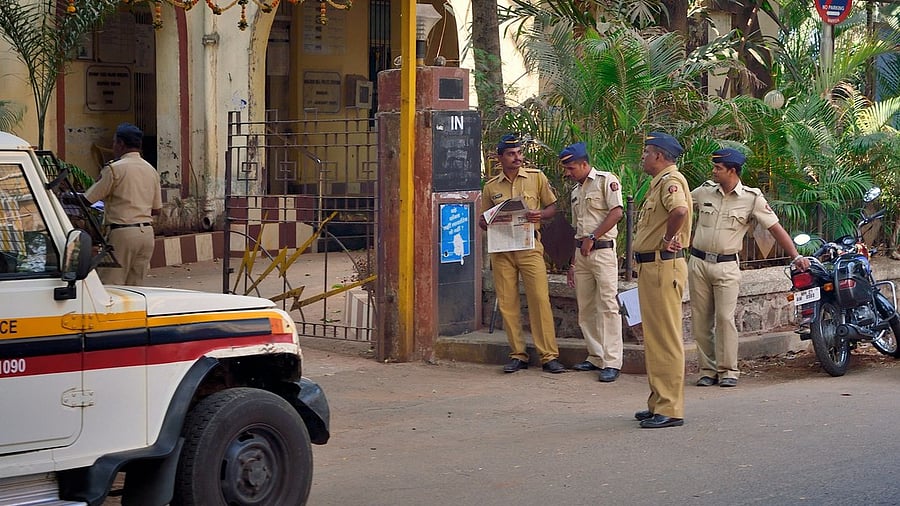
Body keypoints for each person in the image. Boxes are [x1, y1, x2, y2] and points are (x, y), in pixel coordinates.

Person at [689, 148, 811, 388]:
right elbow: (679, 205)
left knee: (724, 319)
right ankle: (707, 370)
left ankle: (728, 370)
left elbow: (775, 228)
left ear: (732, 171)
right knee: (701, 320)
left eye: (718, 168)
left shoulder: (751, 198)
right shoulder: (704, 191)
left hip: (726, 266)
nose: (713, 171)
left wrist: (795, 256)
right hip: (698, 263)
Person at [480, 133, 565, 374]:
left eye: (519, 153)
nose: (517, 157)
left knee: (539, 299)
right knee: (508, 303)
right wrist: (485, 222)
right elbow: (483, 220)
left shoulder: (536, 178)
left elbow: (552, 207)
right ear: (500, 158)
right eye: (511, 154)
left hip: (529, 247)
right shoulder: (491, 187)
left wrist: (540, 214)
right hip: (502, 250)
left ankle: (548, 356)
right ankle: (518, 354)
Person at [631, 132, 692, 429]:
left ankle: (670, 408)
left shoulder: (671, 181)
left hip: (662, 265)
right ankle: (658, 401)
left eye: (646, 152)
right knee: (655, 338)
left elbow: (679, 210)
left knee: (665, 338)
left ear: (658, 155)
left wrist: (668, 238)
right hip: (652, 267)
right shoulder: (658, 183)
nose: (643, 157)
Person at [560, 142, 625, 382]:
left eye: (571, 168)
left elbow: (617, 212)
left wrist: (593, 237)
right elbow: (576, 229)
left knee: (608, 305)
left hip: (603, 251)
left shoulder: (606, 181)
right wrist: (572, 263)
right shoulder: (576, 191)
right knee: (586, 307)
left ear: (584, 164)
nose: (568, 173)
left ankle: (612, 361)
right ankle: (596, 355)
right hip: (582, 254)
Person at [84, 123, 162, 286]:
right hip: (146, 235)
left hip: (122, 233)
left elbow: (88, 199)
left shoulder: (114, 169)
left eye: (114, 142)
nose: (113, 146)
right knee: (136, 287)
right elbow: (157, 209)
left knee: (111, 285)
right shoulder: (151, 170)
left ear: (120, 143)